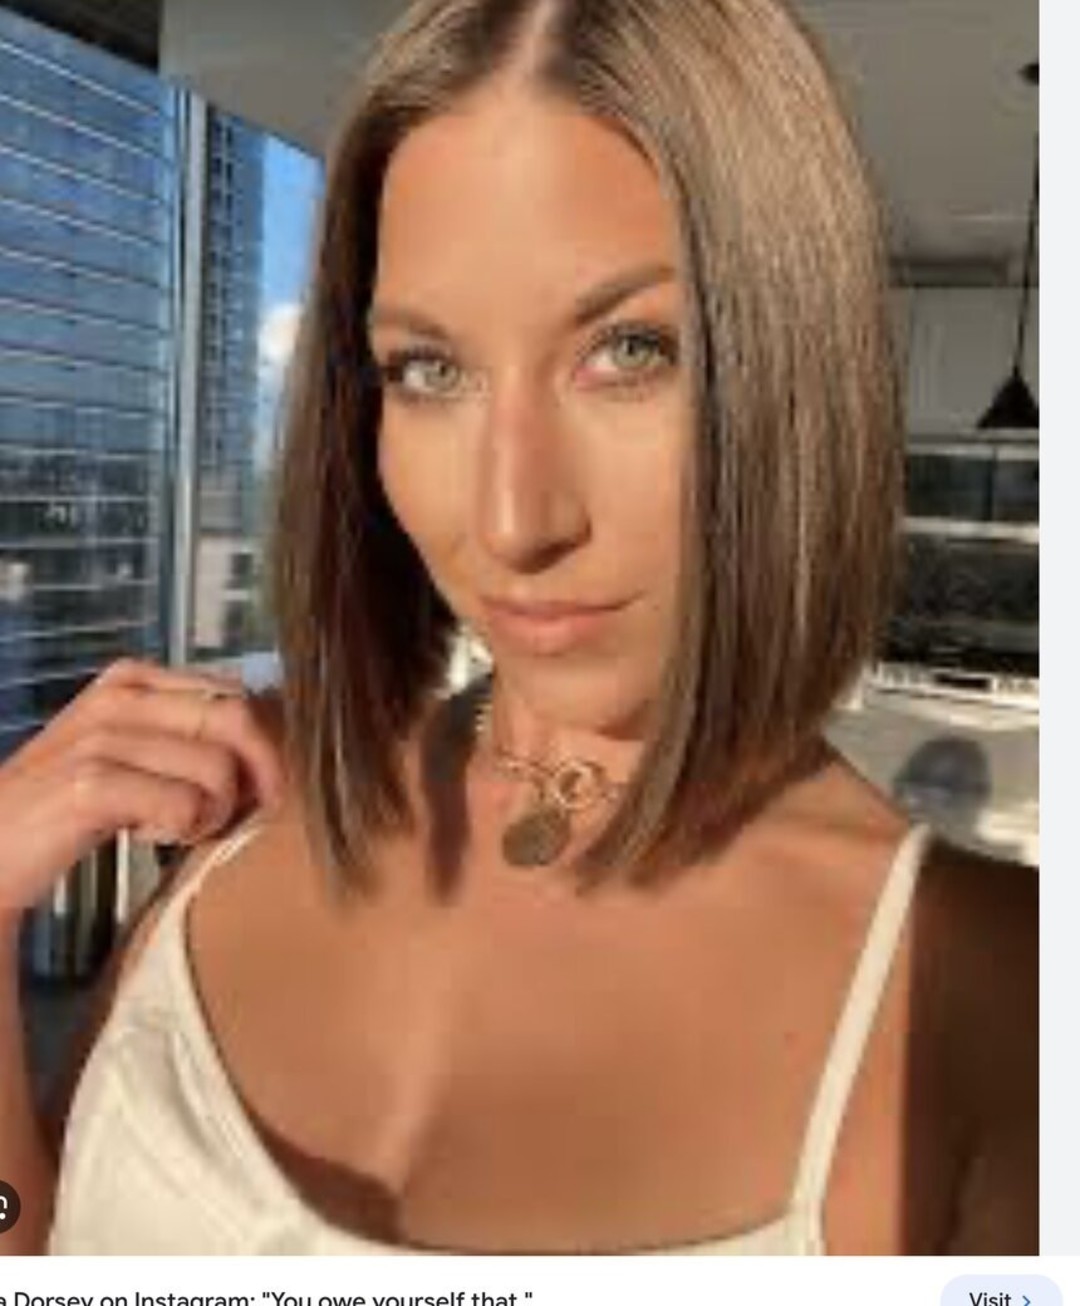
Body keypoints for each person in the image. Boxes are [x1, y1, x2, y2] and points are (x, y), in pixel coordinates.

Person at [0, 0, 1036, 1256]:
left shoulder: (993, 1003)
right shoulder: (256, 817)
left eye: (630, 349)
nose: (510, 519)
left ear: (800, 365)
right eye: (429, 369)